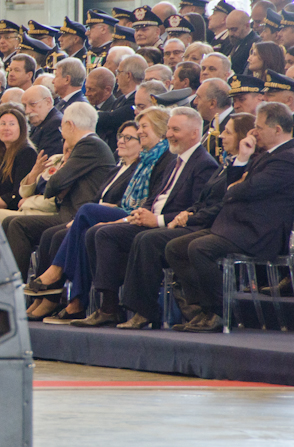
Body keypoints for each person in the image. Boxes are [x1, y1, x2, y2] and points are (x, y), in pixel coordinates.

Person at [73, 107, 218, 327]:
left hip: (178, 227)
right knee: (99, 233)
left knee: (146, 240)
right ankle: (109, 307)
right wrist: (142, 212)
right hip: (153, 221)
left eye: (175, 130)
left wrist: (157, 220)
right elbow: (157, 196)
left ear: (194, 133)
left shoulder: (204, 164)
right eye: (169, 129)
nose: (169, 134)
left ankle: (145, 311)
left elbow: (194, 210)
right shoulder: (174, 161)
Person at [24, 107, 173, 321]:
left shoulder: (159, 160)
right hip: (121, 212)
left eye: (141, 128)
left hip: (136, 216)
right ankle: (69, 301)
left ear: (159, 129)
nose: (123, 140)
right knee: (70, 231)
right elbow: (97, 197)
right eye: (122, 136)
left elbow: (148, 200)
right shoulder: (141, 162)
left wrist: (109, 212)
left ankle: (60, 277)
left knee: (87, 216)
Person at [166, 102, 294, 332]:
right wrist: (243, 158)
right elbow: (234, 186)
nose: (254, 132)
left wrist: (236, 187)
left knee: (200, 248)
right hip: (235, 227)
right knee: (175, 247)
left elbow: (248, 189)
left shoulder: (288, 158)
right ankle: (200, 309)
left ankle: (219, 312)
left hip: (259, 233)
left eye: (259, 127)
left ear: (277, 129)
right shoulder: (265, 155)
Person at [118, 113, 255, 329]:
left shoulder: (223, 165)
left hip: (212, 227)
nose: (221, 137)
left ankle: (153, 311)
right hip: (198, 221)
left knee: (150, 240)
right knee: (143, 238)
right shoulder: (226, 165)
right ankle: (194, 311)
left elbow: (222, 204)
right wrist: (188, 213)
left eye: (227, 132)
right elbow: (202, 200)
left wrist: (190, 217)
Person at [3, 102, 117, 277]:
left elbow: (54, 184)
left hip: (77, 214)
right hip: (68, 211)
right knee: (10, 222)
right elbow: (55, 185)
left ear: (70, 125)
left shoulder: (88, 145)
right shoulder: (90, 144)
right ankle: (17, 282)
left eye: (61, 128)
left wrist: (58, 185)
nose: (61, 134)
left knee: (18, 225)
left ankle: (21, 284)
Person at [22, 86, 64, 156]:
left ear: (48, 102)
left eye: (32, 104)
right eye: (24, 106)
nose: (27, 111)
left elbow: (45, 158)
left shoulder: (55, 123)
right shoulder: (38, 122)